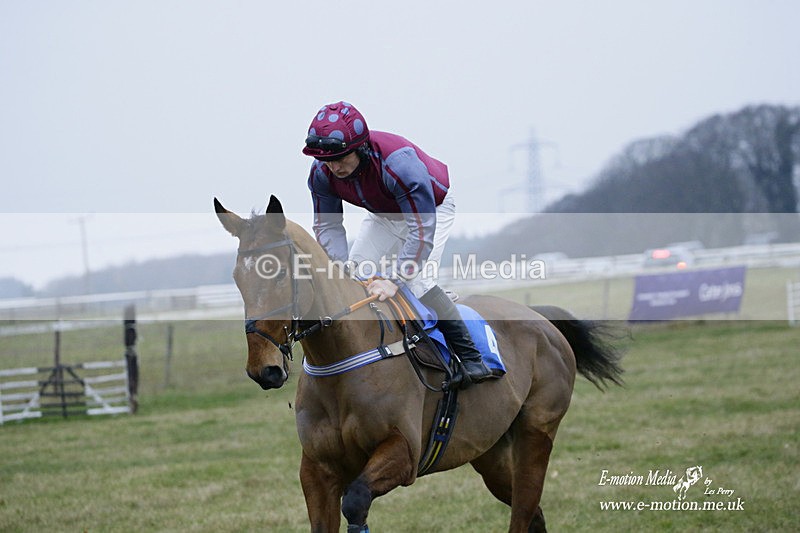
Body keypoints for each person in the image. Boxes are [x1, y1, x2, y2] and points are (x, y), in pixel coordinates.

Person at [303, 100, 492, 386]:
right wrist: (341, 270)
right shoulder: (321, 173)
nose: (334, 167)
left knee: (417, 282)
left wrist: (395, 279)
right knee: (353, 274)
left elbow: (420, 231)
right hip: (384, 215)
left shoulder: (398, 165)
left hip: (431, 210)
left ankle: (472, 359)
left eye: (341, 157)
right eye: (328, 160)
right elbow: (328, 226)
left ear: (361, 148)